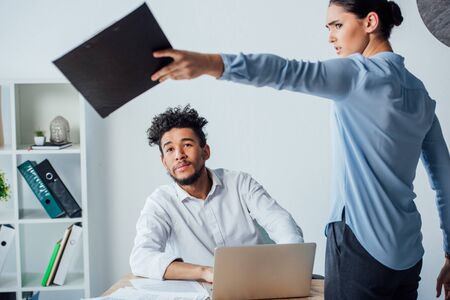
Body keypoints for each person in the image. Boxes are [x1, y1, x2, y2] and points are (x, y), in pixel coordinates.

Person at [149, 0, 450, 299]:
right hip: (408, 253)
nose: (330, 37)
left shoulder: (356, 74)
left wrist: (209, 64)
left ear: (370, 23)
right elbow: (445, 182)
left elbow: (286, 71)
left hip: (360, 248)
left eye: (337, 25)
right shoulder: (420, 94)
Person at [129, 105, 304, 283]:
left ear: (205, 151)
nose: (179, 155)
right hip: (201, 291)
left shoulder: (240, 183)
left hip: (256, 282)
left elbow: (281, 223)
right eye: (170, 149)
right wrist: (205, 272)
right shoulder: (160, 202)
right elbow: (142, 258)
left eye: (187, 145)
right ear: (164, 162)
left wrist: (288, 267)